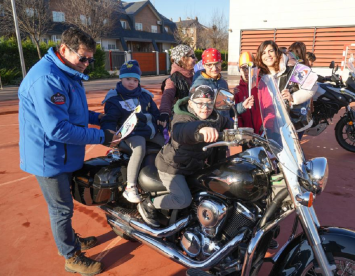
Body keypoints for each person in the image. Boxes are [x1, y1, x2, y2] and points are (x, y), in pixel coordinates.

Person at [18, 27, 119, 275]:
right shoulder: (47, 79)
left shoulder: (67, 71)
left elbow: (75, 113)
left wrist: (100, 117)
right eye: (82, 58)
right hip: (49, 158)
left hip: (63, 154)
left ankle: (71, 240)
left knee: (66, 204)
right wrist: (101, 136)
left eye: (90, 59)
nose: (86, 64)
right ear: (64, 49)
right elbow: (58, 129)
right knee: (61, 209)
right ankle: (71, 256)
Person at [138, 85, 233, 227]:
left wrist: (245, 131)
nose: (205, 107)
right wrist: (201, 128)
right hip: (173, 167)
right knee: (183, 199)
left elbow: (228, 123)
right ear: (190, 103)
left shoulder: (215, 117)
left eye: (209, 104)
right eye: (200, 103)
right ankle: (149, 204)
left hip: (194, 165)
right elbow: (181, 130)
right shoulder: (182, 118)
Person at [101, 60, 165, 203]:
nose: (131, 82)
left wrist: (160, 118)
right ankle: (130, 187)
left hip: (149, 131)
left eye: (135, 80)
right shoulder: (114, 99)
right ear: (121, 78)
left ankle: (166, 176)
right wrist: (109, 132)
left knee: (167, 144)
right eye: (128, 79)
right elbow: (109, 118)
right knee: (139, 149)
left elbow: (155, 112)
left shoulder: (145, 96)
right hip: (131, 134)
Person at [255, 40, 317, 136]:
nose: (267, 55)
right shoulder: (261, 74)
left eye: (270, 51)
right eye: (263, 53)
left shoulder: (291, 68)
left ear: (276, 52)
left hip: (294, 123)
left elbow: (313, 85)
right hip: (273, 125)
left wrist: (293, 97)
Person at [191, 48, 254, 118]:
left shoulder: (223, 83)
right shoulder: (198, 85)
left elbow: (227, 111)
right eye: (209, 65)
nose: (214, 68)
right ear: (204, 65)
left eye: (217, 63)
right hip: (210, 127)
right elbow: (196, 113)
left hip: (224, 126)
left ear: (221, 62)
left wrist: (243, 106)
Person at [159, 44, 196, 127]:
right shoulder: (173, 79)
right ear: (183, 59)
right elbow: (167, 96)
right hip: (182, 116)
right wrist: (164, 112)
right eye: (192, 56)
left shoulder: (194, 75)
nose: (196, 59)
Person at [234, 52, 263, 134]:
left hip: (263, 132)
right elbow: (237, 114)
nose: (247, 71)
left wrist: (266, 124)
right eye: (243, 68)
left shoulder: (261, 84)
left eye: (249, 67)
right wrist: (241, 131)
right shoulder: (237, 90)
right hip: (246, 134)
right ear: (239, 69)